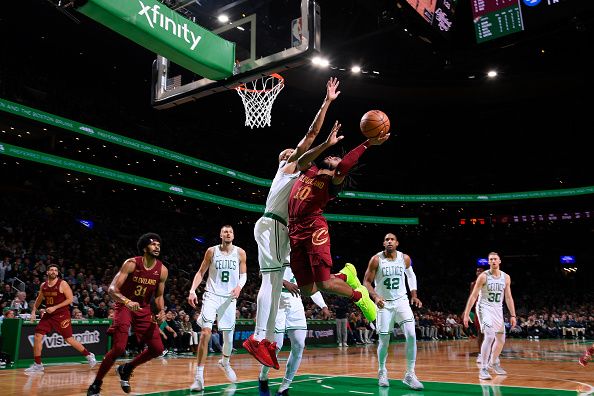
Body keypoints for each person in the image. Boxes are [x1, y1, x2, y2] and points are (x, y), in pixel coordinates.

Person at [244, 77, 341, 369]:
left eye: (293, 152)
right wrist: (327, 103)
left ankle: (267, 341)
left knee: (274, 281)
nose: (292, 153)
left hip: (279, 228)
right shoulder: (288, 169)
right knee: (272, 279)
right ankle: (259, 338)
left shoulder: (302, 179)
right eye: (287, 153)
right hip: (273, 224)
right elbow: (310, 136)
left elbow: (319, 167)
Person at [287, 122, 390, 320]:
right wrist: (326, 144)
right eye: (333, 155)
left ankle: (359, 296)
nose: (334, 157)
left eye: (336, 158)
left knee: (324, 284)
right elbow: (300, 161)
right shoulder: (309, 169)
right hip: (294, 229)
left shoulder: (333, 182)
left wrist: (368, 143)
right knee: (307, 290)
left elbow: (344, 166)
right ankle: (345, 275)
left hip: (314, 227)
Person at [87, 233, 168, 396]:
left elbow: (159, 296)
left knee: (158, 348)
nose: (157, 247)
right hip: (125, 306)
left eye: (159, 245)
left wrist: (161, 311)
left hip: (143, 308)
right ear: (145, 248)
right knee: (119, 347)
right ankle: (96, 384)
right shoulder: (131, 264)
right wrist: (126, 301)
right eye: (153, 244)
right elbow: (112, 289)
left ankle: (127, 368)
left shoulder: (162, 270)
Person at [187, 225, 247, 391]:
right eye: (225, 231)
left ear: (233, 236)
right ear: (220, 234)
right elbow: (200, 272)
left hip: (229, 299)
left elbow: (244, 275)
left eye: (230, 232)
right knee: (206, 333)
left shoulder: (240, 252)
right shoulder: (211, 251)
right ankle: (198, 377)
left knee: (228, 339)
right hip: (211, 295)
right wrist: (192, 290)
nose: (228, 233)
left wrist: (239, 287)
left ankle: (225, 362)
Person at [362, 233, 424, 390]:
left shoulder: (405, 258)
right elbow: (366, 282)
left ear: (397, 243)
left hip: (402, 301)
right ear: (383, 243)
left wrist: (414, 294)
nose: (389, 241)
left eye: (392, 239)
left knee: (411, 335)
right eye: (386, 240)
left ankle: (410, 374)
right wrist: (375, 297)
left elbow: (411, 275)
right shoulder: (376, 259)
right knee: (384, 341)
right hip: (384, 304)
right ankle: (382, 371)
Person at [25, 264, 96, 373]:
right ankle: (38, 365)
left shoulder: (62, 284)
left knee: (68, 339)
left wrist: (55, 307)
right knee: (37, 336)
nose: (53, 271)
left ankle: (89, 355)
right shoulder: (43, 285)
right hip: (49, 315)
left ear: (57, 273)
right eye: (51, 270)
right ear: (47, 272)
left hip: (62, 314)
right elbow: (39, 299)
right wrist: (34, 311)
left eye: (55, 270)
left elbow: (70, 299)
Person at [463, 252, 517, 380]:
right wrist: (466, 313)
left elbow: (508, 297)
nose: (493, 261)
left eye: (495, 259)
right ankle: (483, 368)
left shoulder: (506, 277)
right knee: (489, 335)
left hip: (498, 309)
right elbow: (474, 295)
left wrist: (513, 315)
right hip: (484, 308)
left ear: (499, 261)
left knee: (501, 340)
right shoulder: (483, 276)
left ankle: (493, 362)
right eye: (490, 259)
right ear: (488, 262)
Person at [470, 266, 486, 363]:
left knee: (489, 333)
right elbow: (471, 297)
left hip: (489, 308)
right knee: (480, 332)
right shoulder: (473, 284)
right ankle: (480, 354)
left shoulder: (488, 282)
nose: (478, 272)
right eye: (477, 270)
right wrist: (466, 311)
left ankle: (488, 353)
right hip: (479, 309)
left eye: (480, 270)